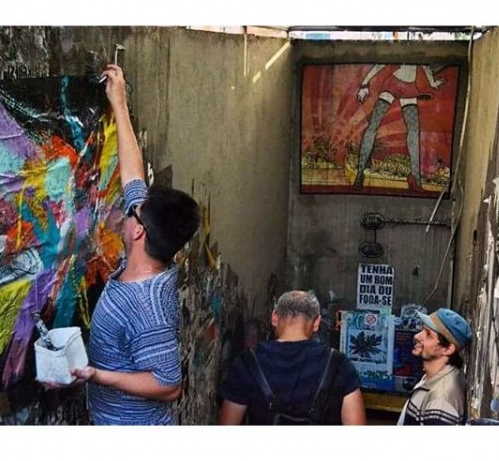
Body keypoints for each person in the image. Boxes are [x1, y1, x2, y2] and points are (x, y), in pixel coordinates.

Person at [69, 64, 200, 425]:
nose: (127, 210)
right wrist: (120, 104)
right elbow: (133, 178)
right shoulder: (150, 246)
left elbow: (169, 385)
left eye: (132, 213)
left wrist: (99, 376)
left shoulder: (147, 305)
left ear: (138, 232)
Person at [217, 290, 366, 425]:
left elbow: (228, 423)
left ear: (274, 317)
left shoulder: (246, 363)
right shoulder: (339, 364)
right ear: (316, 323)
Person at [353, 64, 446, 191]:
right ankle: (360, 173)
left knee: (414, 131)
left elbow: (425, 66)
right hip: (393, 84)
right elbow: (380, 65)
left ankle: (415, 179)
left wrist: (432, 82)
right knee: (373, 126)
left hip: (409, 88)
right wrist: (364, 84)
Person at [397, 308, 472, 426]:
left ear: (448, 349)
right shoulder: (435, 375)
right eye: (422, 330)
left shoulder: (441, 401)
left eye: (428, 334)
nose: (417, 336)